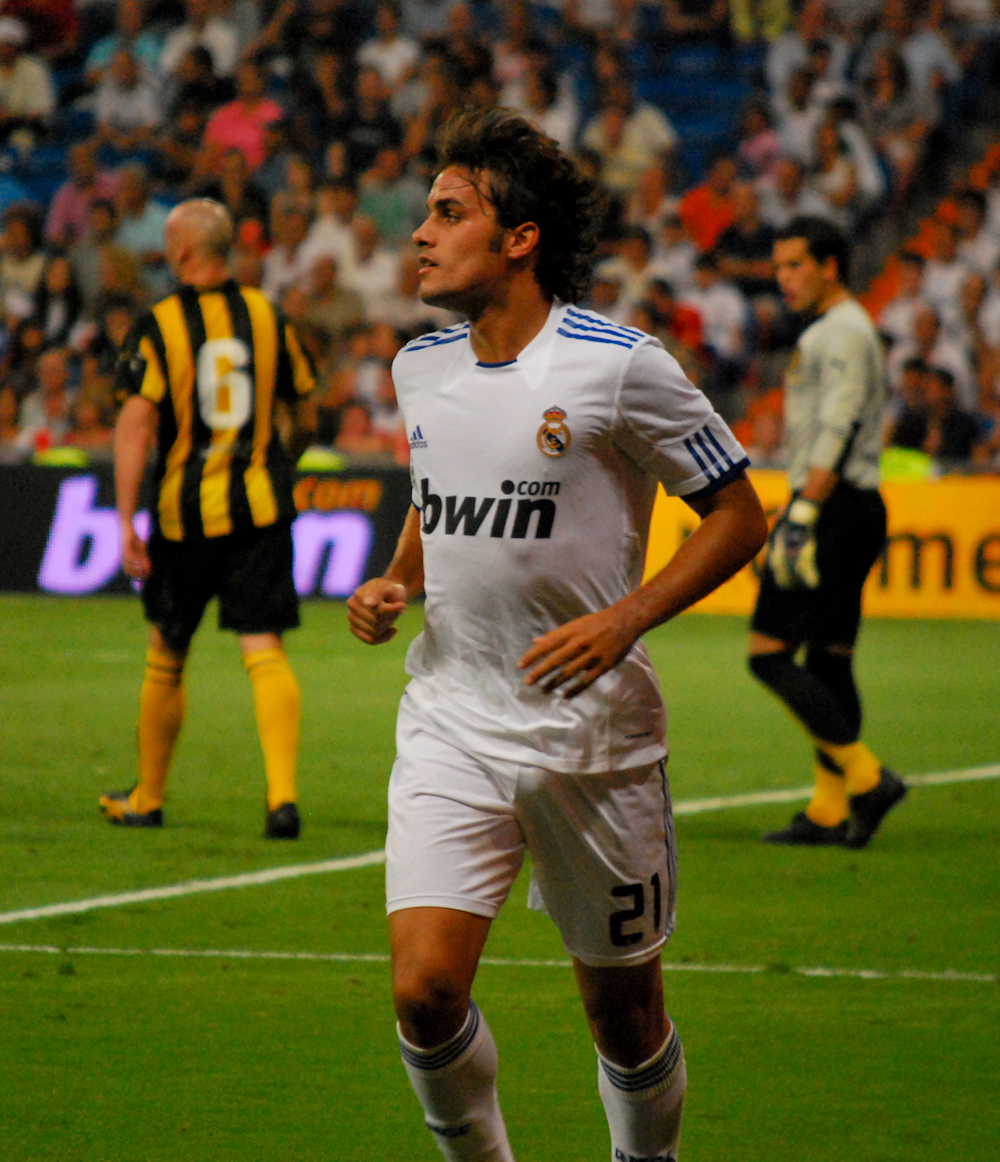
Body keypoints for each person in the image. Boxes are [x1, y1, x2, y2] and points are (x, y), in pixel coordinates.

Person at [346, 108, 767, 1162]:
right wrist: (397, 579)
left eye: (450, 212)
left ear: (519, 238)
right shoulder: (419, 368)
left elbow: (737, 514)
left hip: (591, 740)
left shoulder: (618, 367)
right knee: (423, 991)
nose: (421, 233)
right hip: (451, 717)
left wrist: (625, 618)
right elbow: (437, 490)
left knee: (625, 1018)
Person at [100, 198, 316, 837]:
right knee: (264, 648)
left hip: (183, 513)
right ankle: (282, 799)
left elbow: (136, 424)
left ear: (183, 251)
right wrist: (277, 465)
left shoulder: (157, 323)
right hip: (260, 506)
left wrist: (124, 520)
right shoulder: (268, 315)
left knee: (167, 650)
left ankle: (148, 797)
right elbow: (305, 412)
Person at [748, 216, 907, 849]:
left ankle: (868, 779)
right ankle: (829, 809)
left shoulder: (838, 332)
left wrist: (804, 510)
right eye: (778, 266)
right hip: (853, 505)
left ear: (829, 266)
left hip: (832, 504)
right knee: (829, 659)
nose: (782, 278)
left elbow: (839, 424)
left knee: (767, 652)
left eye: (794, 265)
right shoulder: (844, 329)